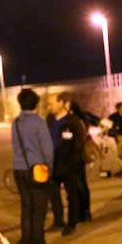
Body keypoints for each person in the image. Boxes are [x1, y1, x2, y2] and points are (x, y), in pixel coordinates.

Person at [11, 88, 56, 244]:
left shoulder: (15, 123)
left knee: (26, 207)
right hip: (37, 170)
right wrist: (49, 169)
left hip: (19, 170)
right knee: (39, 209)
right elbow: (48, 150)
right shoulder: (39, 122)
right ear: (36, 104)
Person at [45, 92, 87, 236]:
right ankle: (58, 221)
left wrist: (72, 163)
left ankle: (71, 223)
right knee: (53, 194)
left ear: (62, 102)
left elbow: (79, 145)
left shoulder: (73, 121)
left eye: (52, 103)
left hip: (68, 165)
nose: (49, 107)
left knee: (72, 194)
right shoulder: (49, 119)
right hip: (52, 164)